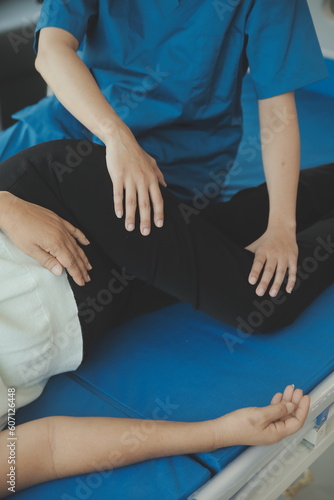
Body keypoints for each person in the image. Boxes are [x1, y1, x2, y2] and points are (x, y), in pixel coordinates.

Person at [6, 137, 334, 495]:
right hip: (88, 306)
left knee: (260, 300)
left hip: (49, 205)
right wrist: (217, 433)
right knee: (228, 232)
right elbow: (49, 449)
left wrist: (5, 205)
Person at [0, 0, 329, 300]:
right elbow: (52, 48)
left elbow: (277, 109)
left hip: (172, 159)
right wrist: (118, 137)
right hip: (69, 124)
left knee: (93, 267)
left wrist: (282, 227)